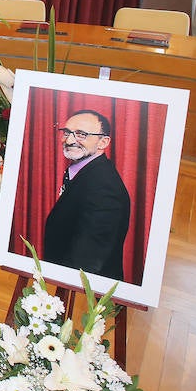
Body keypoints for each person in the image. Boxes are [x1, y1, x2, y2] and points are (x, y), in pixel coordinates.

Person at [42, 110, 131, 281]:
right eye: (67, 132)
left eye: (81, 134)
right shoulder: (85, 169)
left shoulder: (105, 189)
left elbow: (87, 258)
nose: (69, 140)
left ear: (103, 142)